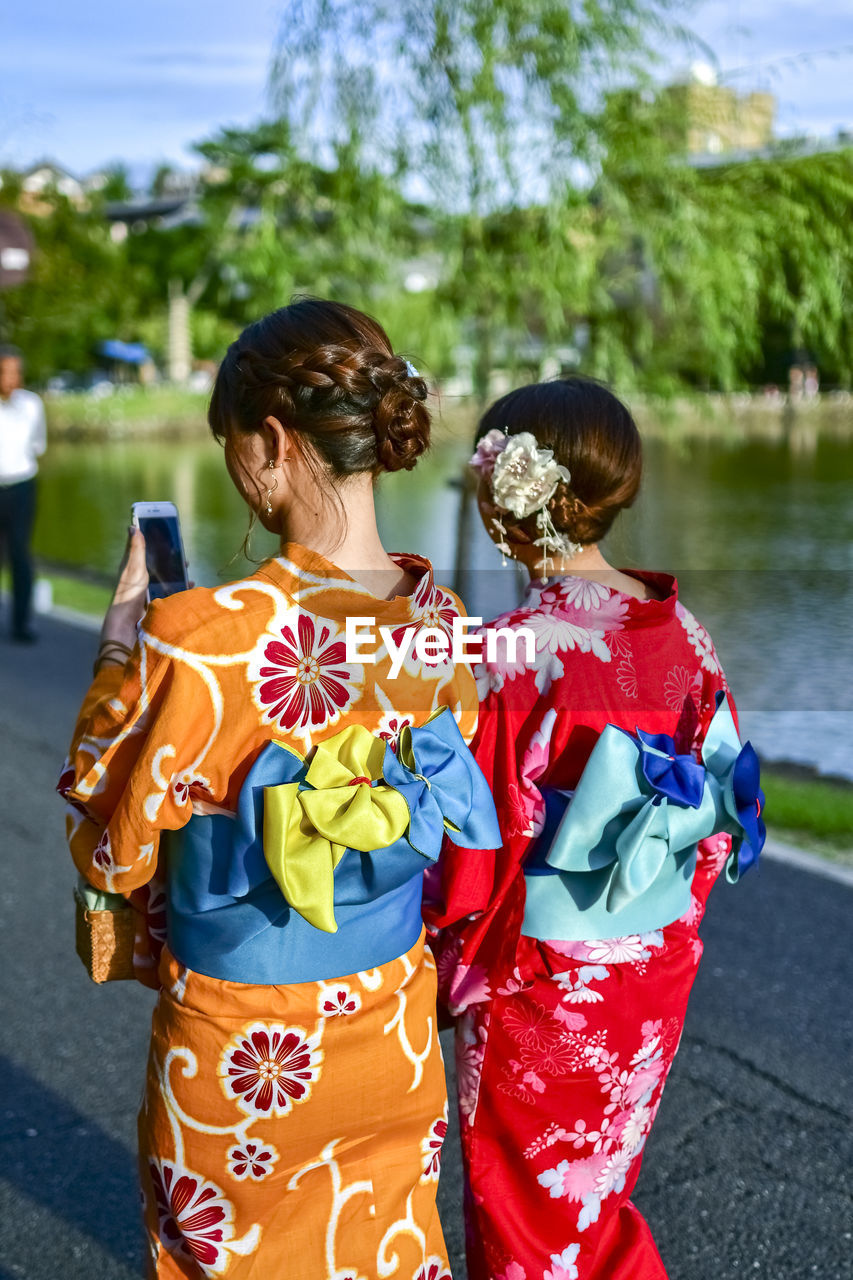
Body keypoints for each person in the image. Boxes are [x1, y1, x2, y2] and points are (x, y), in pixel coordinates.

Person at [58, 299, 499, 1279]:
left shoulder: (200, 637)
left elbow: (115, 836)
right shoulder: (445, 622)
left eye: (230, 446)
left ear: (268, 439)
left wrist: (123, 644)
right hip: (390, 1017)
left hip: (244, 1043)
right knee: (383, 1251)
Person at [425, 376, 764, 1280]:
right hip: (652, 959)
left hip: (543, 978)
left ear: (506, 501)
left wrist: (440, 969)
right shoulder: (680, 627)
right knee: (592, 1189)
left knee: (525, 1208)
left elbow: (474, 849)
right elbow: (718, 816)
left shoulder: (510, 648)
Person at [0, 344, 46, 642]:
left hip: (21, 487)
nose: (11, 378)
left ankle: (21, 623)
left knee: (20, 554)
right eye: (5, 372)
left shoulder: (31, 405)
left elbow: (37, 445)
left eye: (16, 372)